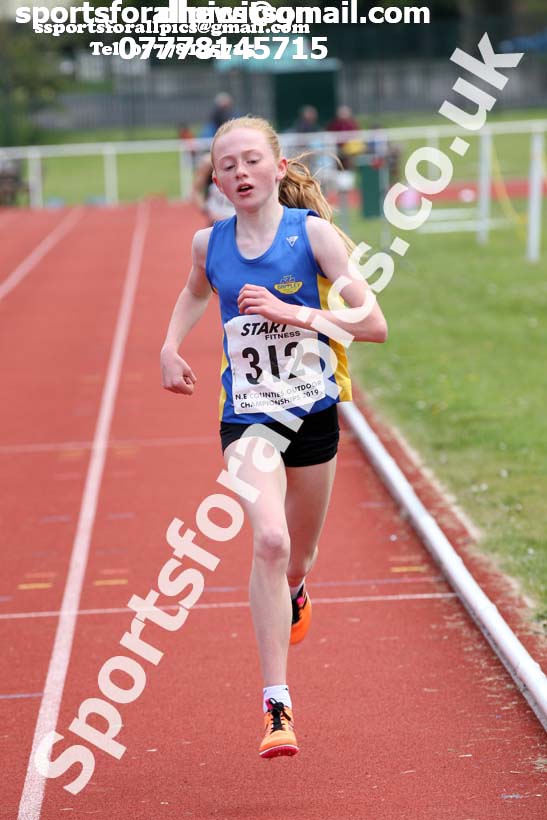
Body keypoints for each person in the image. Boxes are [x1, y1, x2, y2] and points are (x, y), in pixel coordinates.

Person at [160, 116, 387, 759]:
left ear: (278, 168)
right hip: (249, 419)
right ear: (216, 177)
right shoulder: (209, 243)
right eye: (226, 163)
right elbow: (193, 291)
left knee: (297, 557)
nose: (240, 172)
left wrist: (295, 312)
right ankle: (277, 705)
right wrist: (168, 346)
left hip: (311, 416)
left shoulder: (313, 236)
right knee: (268, 536)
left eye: (252, 160)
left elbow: (373, 324)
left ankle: (295, 588)